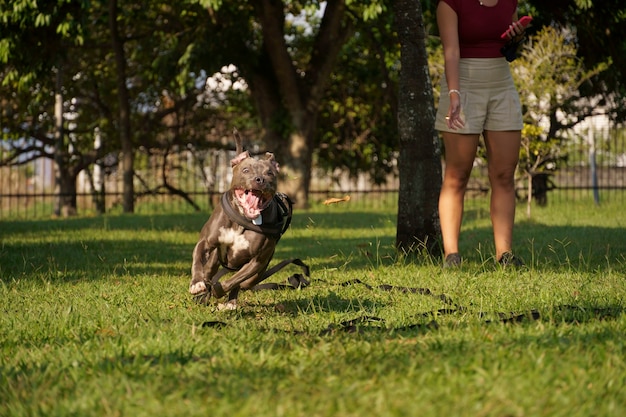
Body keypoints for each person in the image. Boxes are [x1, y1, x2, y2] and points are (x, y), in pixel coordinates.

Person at [435, 0, 527, 268]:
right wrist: (454, 94)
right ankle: (451, 254)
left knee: (504, 173)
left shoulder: (510, 1)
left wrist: (517, 35)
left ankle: (504, 254)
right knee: (457, 173)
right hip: (463, 82)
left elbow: (510, 50)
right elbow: (450, 52)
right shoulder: (450, 3)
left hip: (501, 83)